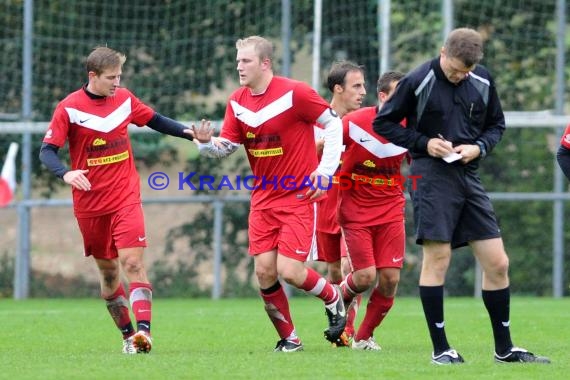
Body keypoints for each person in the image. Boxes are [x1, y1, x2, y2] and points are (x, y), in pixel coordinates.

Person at [373, 27, 550, 364]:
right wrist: (424, 143)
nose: (459, 76)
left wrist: (479, 147)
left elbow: (496, 125)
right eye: (454, 70)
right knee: (438, 259)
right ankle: (441, 349)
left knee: (498, 263)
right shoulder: (418, 78)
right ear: (443, 52)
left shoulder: (481, 79)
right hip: (430, 176)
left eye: (465, 72)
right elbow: (385, 123)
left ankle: (504, 349)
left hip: (468, 175)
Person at [191, 35, 346, 352]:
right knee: (263, 272)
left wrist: (326, 172)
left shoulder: (296, 93)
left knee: (289, 271)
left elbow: (333, 126)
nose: (239, 67)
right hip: (263, 199)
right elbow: (228, 147)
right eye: (237, 61)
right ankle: (290, 338)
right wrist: (206, 144)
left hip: (298, 196)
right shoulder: (237, 101)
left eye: (245, 61)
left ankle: (333, 296)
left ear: (265, 63)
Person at [39, 46, 195, 354]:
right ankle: (127, 336)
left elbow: (156, 120)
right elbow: (46, 151)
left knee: (133, 263)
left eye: (120, 76)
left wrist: (190, 133)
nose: (117, 82)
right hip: (90, 205)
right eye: (111, 77)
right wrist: (65, 174)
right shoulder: (68, 108)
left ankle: (144, 334)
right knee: (109, 273)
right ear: (92, 76)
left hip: (126, 195)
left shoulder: (124, 99)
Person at [337, 71, 407, 351]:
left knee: (390, 280)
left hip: (391, 209)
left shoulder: (410, 127)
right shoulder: (353, 122)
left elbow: (426, 157)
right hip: (355, 210)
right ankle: (334, 298)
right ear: (383, 96)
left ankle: (363, 337)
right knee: (364, 276)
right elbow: (321, 148)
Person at [311, 61, 366, 346]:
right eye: (357, 86)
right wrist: (316, 150)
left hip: (354, 204)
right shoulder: (317, 121)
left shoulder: (363, 122)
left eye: (364, 86)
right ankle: (337, 320)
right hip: (324, 204)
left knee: (350, 267)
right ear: (338, 88)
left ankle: (349, 329)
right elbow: (298, 160)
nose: (363, 92)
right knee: (334, 272)